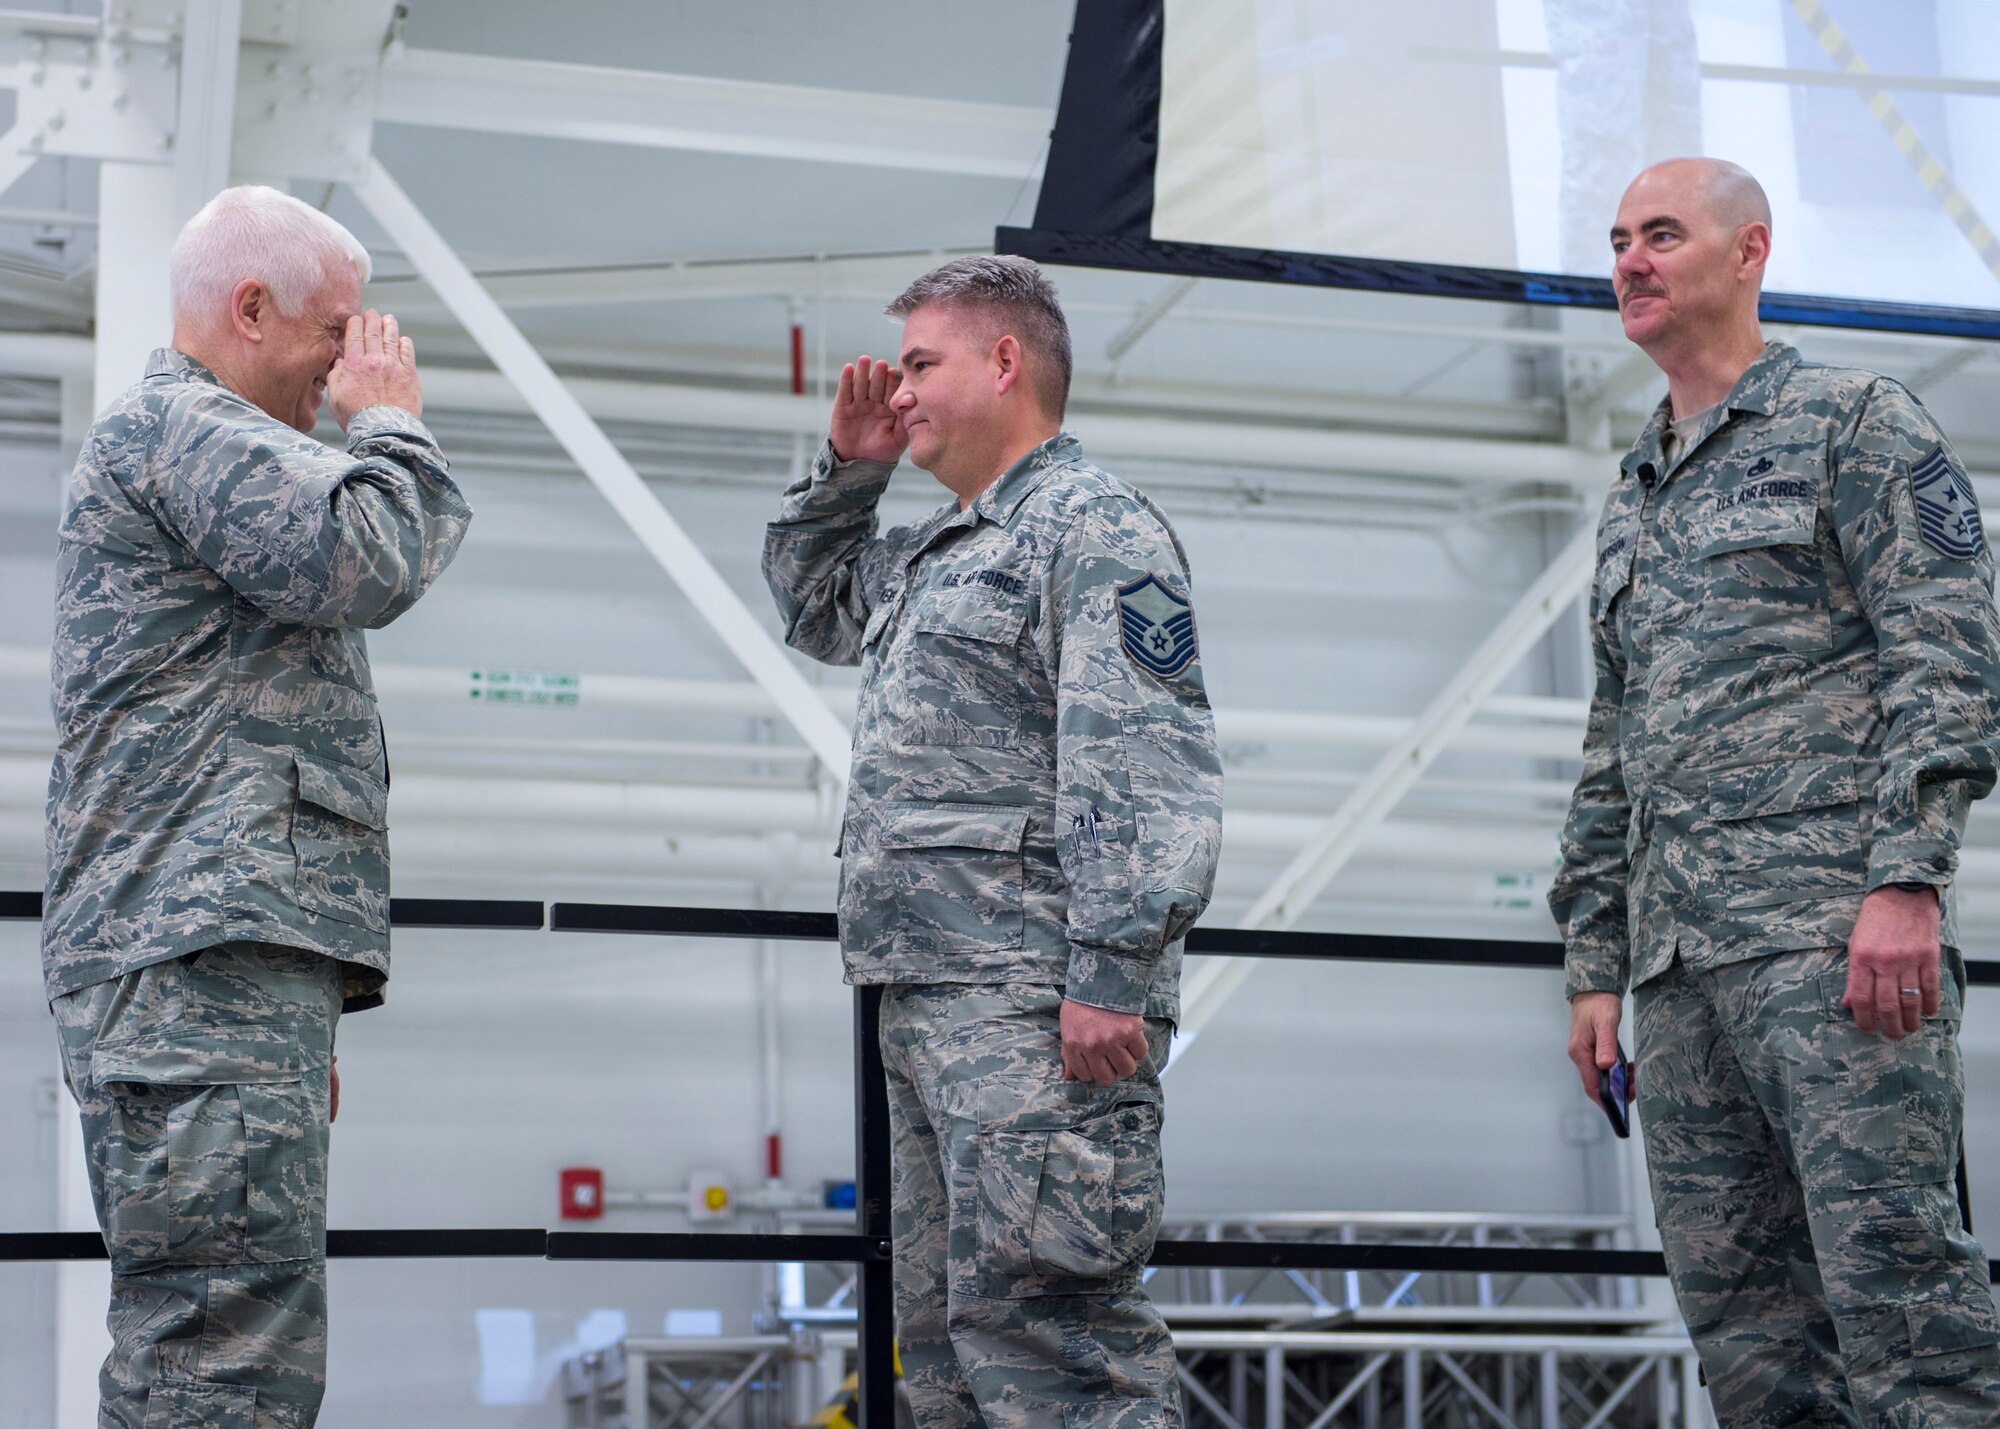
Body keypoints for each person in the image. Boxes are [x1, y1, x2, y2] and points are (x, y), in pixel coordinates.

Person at [1549, 157, 2000, 1425]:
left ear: (1747, 251)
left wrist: (1904, 877)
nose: (1629, 260)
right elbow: (1610, 739)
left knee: (1902, 1302)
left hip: (1831, 943)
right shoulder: (1633, 491)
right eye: (1617, 239)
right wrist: (1594, 959)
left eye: (1660, 235)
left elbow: (1945, 647)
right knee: (1745, 1335)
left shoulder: (1854, 422)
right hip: (1678, 971)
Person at [764, 255, 1222, 1428]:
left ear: (1004, 361)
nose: (900, 389)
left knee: (1055, 1339)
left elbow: (1143, 761)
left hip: (1032, 1002)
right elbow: (813, 602)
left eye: (922, 363)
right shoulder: (942, 546)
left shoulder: (1090, 526)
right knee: (950, 1353)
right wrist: (850, 472)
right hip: (924, 996)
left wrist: (1112, 970)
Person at [44, 185, 471, 1428]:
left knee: (226, 1340)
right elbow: (371, 552)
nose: (349, 366)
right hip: (198, 970)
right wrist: (390, 427)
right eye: (338, 333)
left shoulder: (181, 444)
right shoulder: (185, 430)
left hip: (215, 967)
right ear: (250, 309)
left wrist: (297, 1002)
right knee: (224, 1358)